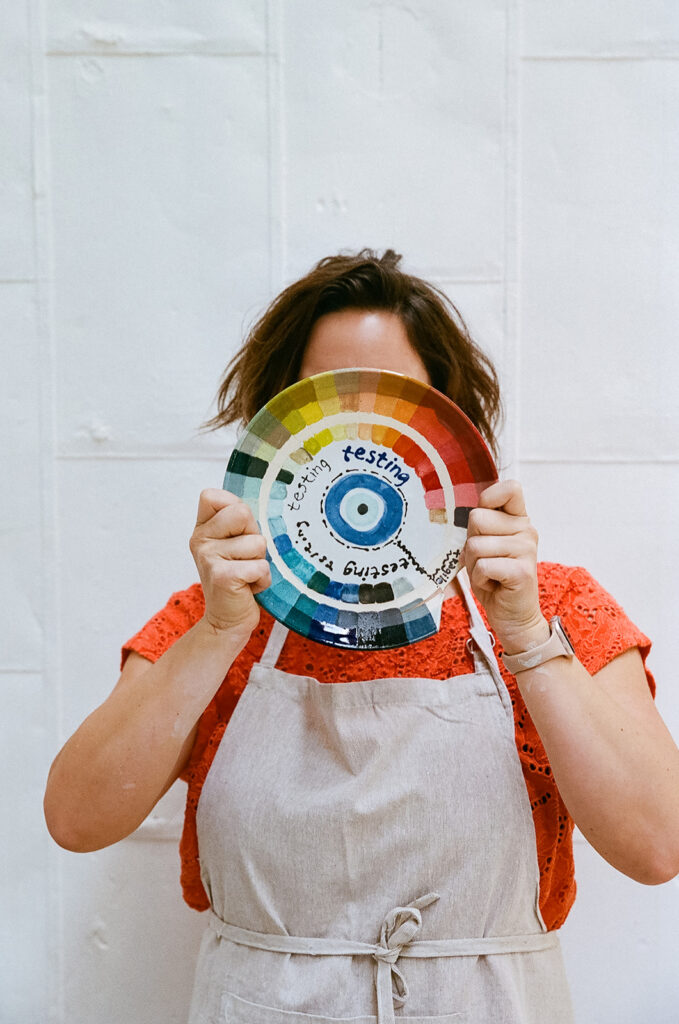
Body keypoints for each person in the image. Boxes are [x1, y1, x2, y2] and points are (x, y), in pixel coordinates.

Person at [44, 250, 679, 1023]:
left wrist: (523, 637)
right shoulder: (215, 614)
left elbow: (656, 847)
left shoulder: (552, 605)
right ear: (278, 430)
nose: (361, 428)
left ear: (453, 424)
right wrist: (216, 633)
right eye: (324, 398)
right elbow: (77, 820)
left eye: (397, 401)